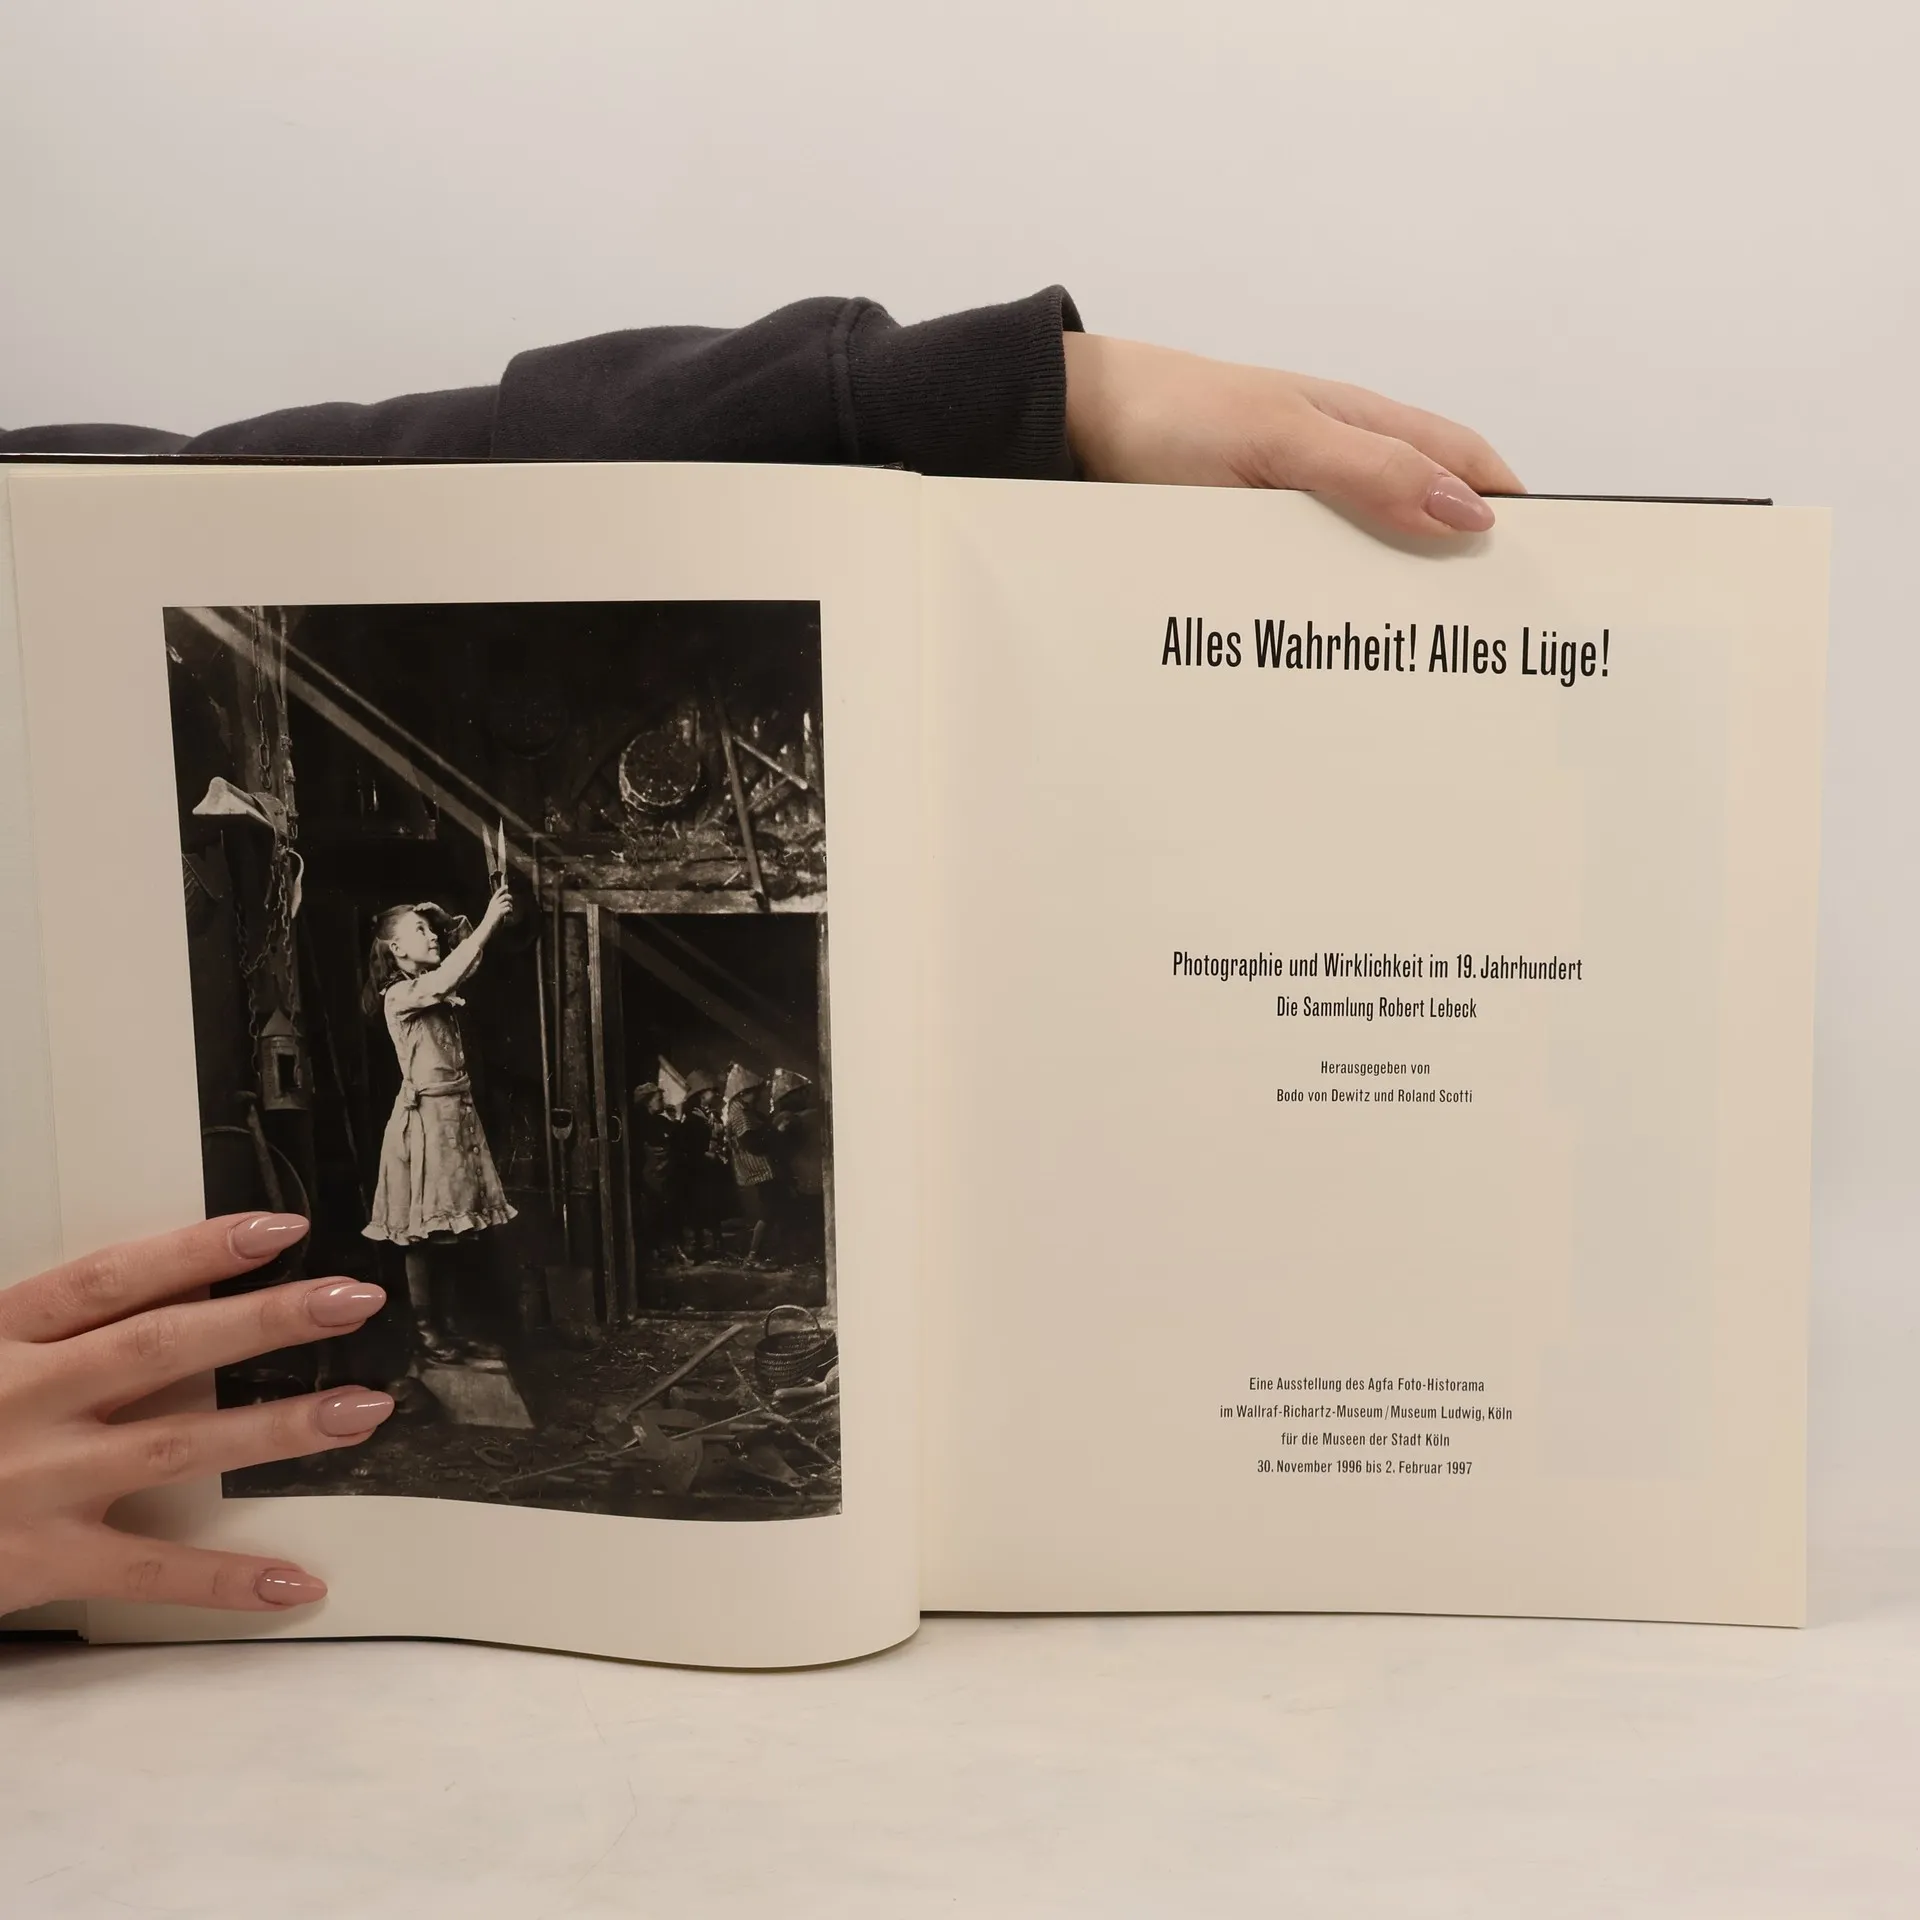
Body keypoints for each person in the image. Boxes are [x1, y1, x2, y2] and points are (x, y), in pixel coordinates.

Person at [0, 287, 1522, 1617]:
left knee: (520, 1236)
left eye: (419, 918)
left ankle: (490, 1343)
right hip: (376, 1193)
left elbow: (274, 487)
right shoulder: (409, 983)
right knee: (439, 1249)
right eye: (411, 922)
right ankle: (460, 1354)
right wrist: (506, 917)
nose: (417, 930)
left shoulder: (63, 533)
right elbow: (457, 977)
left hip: (422, 1151)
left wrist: (1014, 392)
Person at [362, 888, 518, 1361]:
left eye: (432, 931)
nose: (432, 937)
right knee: (423, 1234)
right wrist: (488, 920)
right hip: (426, 1123)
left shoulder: (429, 982)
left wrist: (451, 923)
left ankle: (448, 1327)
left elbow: (464, 964)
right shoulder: (399, 995)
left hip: (455, 1118)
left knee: (454, 1232)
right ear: (396, 948)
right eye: (421, 931)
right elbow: (451, 972)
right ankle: (427, 1333)